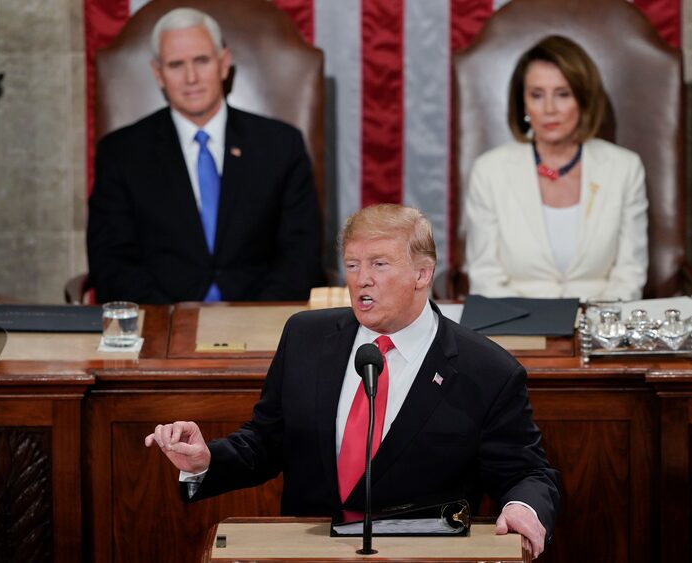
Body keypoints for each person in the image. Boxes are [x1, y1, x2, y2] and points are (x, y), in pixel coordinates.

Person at [145, 204, 561, 557]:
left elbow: (527, 473)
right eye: (353, 265)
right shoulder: (306, 337)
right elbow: (267, 442)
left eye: (379, 264)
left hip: (422, 557)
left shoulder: (485, 369)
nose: (362, 279)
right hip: (308, 555)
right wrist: (206, 461)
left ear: (422, 274)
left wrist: (524, 506)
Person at [87, 8, 325, 304]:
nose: (191, 78)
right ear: (158, 74)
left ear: (223, 64)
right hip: (160, 324)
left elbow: (300, 253)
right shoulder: (122, 153)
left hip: (262, 320)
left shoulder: (280, 145)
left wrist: (257, 316)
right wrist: (168, 322)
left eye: (201, 60)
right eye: (176, 65)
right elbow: (110, 260)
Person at [464, 35, 648, 301]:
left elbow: (629, 275)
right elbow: (485, 277)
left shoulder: (625, 168)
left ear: (583, 100)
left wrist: (594, 328)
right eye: (537, 95)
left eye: (563, 94)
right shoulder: (489, 171)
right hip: (518, 331)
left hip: (599, 329)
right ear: (523, 104)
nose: (549, 109)